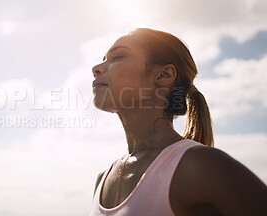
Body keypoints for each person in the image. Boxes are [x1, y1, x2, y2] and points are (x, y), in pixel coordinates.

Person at [89, 28, 267, 216]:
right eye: (103, 59)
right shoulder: (103, 178)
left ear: (163, 75)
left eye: (117, 57)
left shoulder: (200, 165)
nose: (96, 68)